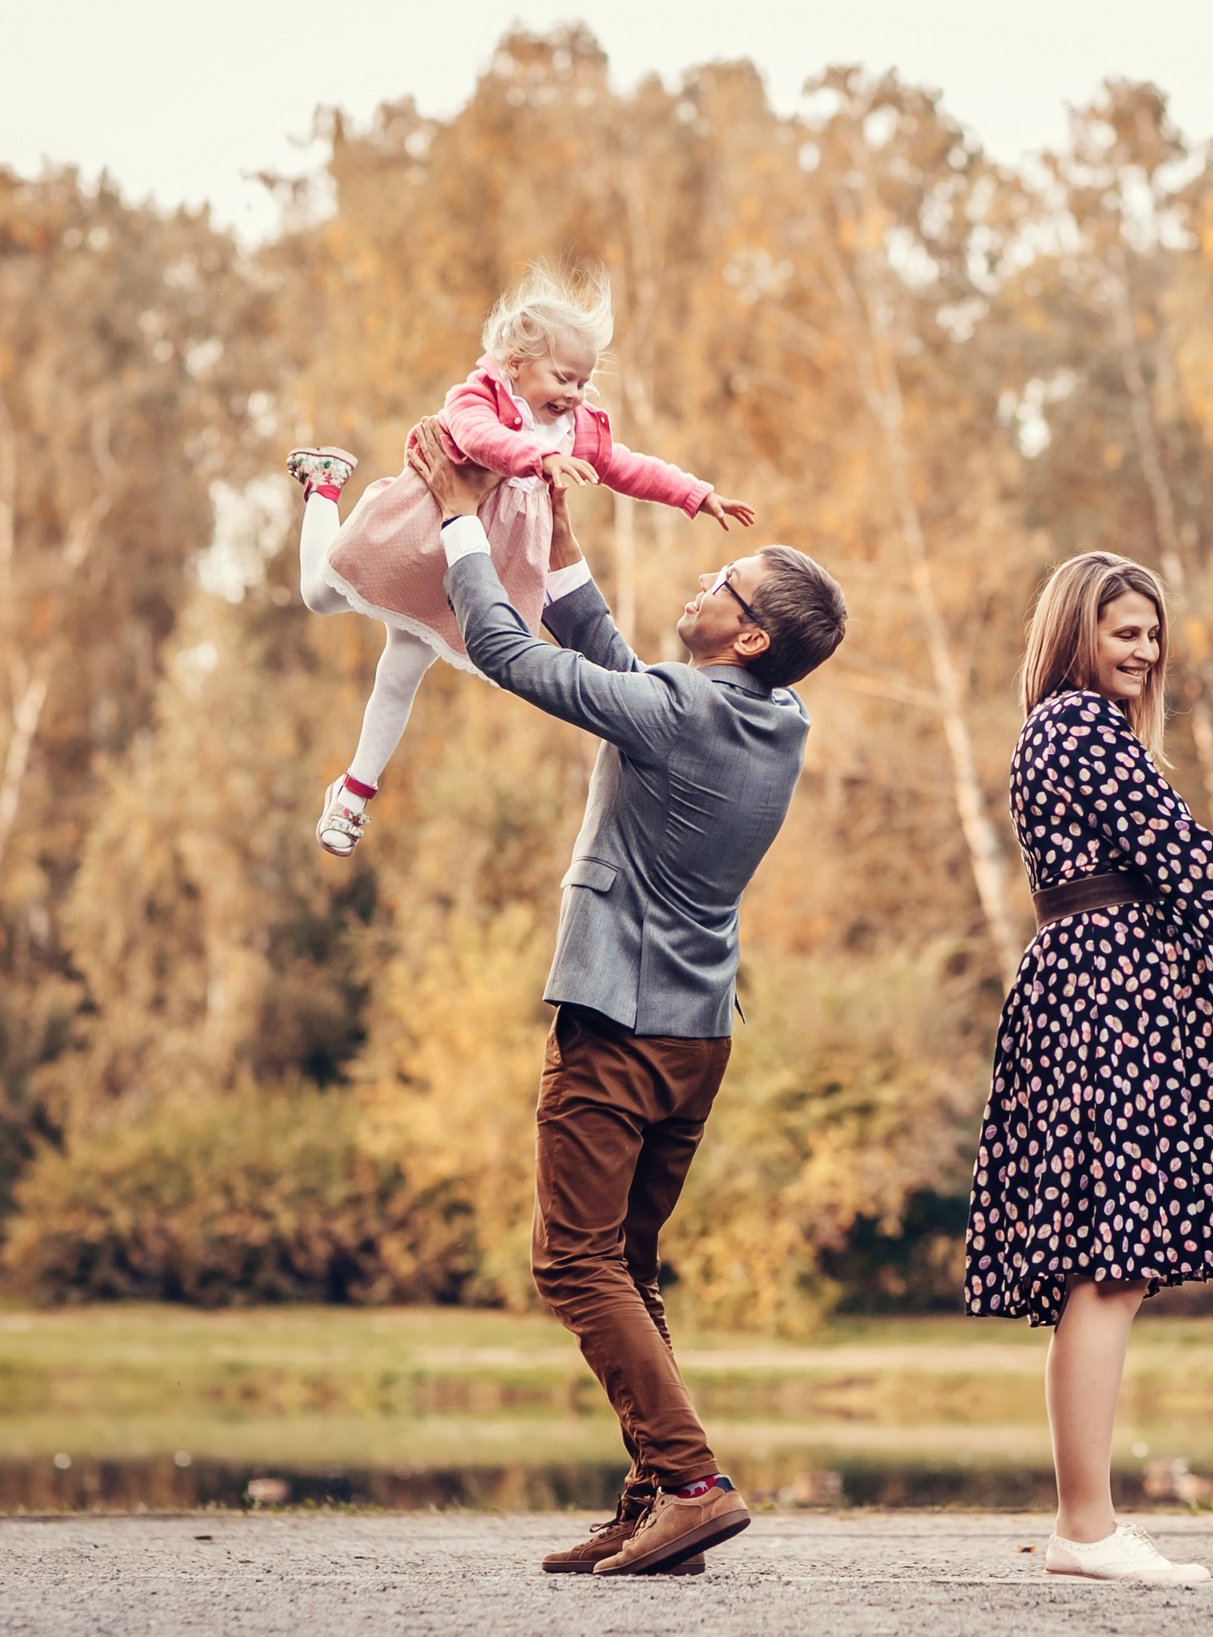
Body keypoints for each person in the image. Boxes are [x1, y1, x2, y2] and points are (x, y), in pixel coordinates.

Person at [405, 414, 845, 1579]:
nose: (701, 577)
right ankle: (657, 1503)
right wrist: (554, 528)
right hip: (696, 1035)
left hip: (615, 1025)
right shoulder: (773, 717)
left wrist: (459, 518)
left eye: (722, 582)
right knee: (629, 1270)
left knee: (571, 1260)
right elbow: (610, 656)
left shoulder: (683, 712)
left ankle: (694, 1481)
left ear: (744, 634)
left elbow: (512, 655)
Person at [964, 551, 1213, 1586]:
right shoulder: (1074, 726)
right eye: (1121, 631)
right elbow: (1181, 855)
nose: (1141, 651)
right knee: (1106, 1262)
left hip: (1130, 990)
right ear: (1073, 635)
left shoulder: (1098, 737)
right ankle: (1084, 1528)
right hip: (1106, 998)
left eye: (1150, 634)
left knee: (1115, 1265)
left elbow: (1165, 885)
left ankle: (1085, 1522)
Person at [286, 265, 754, 858]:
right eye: (564, 377)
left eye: (584, 383)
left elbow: (630, 466)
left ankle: (354, 792)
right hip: (422, 525)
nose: (576, 395)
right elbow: (481, 441)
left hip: (472, 561)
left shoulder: (575, 428)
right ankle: (324, 486)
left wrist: (694, 493)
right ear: (515, 364)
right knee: (317, 594)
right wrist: (540, 460)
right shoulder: (477, 398)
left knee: (402, 669)